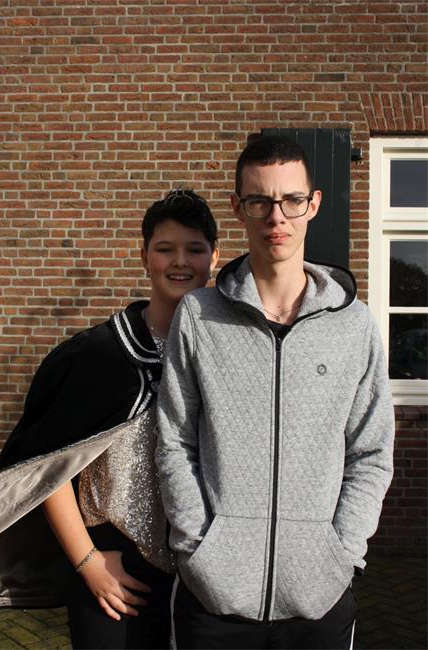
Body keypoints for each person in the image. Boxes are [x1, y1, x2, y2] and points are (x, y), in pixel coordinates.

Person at [156, 136, 395, 650]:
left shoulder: (354, 325)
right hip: (213, 597)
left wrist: (340, 553)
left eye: (291, 200)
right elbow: (175, 441)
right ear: (237, 206)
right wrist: (200, 549)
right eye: (260, 201)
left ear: (314, 204)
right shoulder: (198, 317)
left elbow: (371, 452)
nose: (276, 217)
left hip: (319, 596)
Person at [0, 188, 219, 650]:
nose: (180, 262)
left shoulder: (227, 355)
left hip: (205, 574)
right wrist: (88, 562)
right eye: (165, 249)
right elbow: (48, 469)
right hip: (112, 567)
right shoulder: (97, 355)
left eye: (194, 249)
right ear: (144, 256)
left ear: (214, 258)